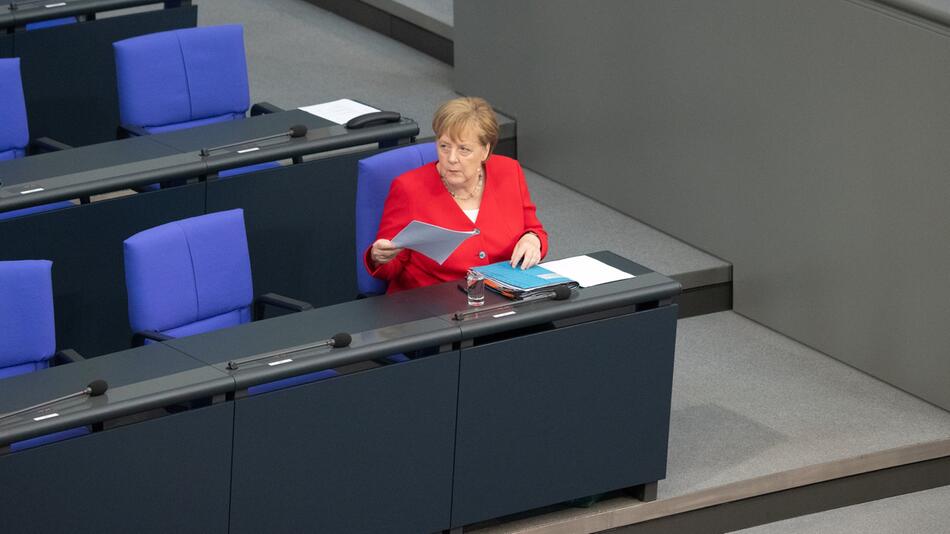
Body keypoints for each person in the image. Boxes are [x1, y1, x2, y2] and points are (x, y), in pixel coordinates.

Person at [366, 97, 548, 293]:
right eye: (444, 146)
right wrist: (379, 257)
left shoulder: (509, 171)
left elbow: (533, 228)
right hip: (434, 305)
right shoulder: (409, 188)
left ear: (485, 151)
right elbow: (391, 265)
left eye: (464, 149)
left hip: (503, 296)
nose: (451, 159)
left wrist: (532, 239)